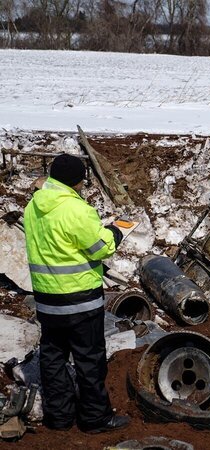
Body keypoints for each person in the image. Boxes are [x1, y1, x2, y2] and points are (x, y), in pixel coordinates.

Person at [24, 154, 129, 434]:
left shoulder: (33, 206)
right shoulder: (78, 210)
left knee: (53, 357)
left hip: (47, 300)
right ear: (76, 181)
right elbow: (101, 248)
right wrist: (115, 233)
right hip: (81, 300)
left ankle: (59, 417)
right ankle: (95, 419)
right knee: (89, 359)